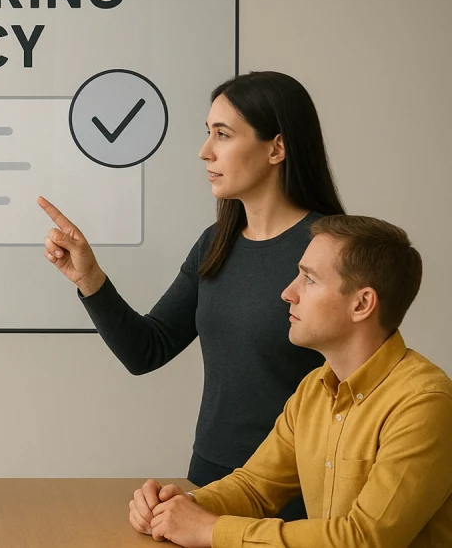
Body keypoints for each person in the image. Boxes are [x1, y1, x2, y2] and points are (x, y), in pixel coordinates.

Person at [39, 71, 344, 520]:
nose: (205, 152)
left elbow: (364, 381)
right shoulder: (215, 242)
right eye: (208, 134)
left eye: (223, 134)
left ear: (276, 147)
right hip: (210, 481)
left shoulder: (333, 248)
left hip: (300, 490)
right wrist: (90, 278)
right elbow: (147, 350)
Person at [130, 215, 452, 548]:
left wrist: (210, 530)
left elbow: (365, 539)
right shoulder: (314, 389)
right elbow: (254, 488)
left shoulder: (424, 403)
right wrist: (178, 506)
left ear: (362, 303)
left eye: (309, 279)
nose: (287, 293)